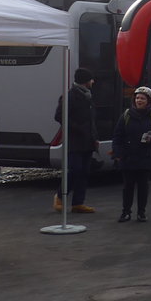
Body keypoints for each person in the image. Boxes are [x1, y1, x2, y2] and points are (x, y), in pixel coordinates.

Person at [111, 86, 151, 222]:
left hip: (145, 157)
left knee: (143, 187)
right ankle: (126, 212)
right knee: (127, 187)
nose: (139, 100)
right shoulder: (126, 115)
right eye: (137, 98)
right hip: (128, 157)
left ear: (149, 101)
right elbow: (117, 136)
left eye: (142, 98)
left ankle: (141, 212)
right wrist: (118, 153)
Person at [53, 67, 99, 213]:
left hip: (88, 141)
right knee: (74, 170)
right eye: (91, 79)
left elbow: (91, 120)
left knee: (84, 172)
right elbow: (59, 116)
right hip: (75, 141)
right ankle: (59, 197)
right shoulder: (70, 96)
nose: (93, 81)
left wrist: (94, 137)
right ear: (86, 81)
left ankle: (78, 203)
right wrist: (77, 128)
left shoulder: (88, 96)